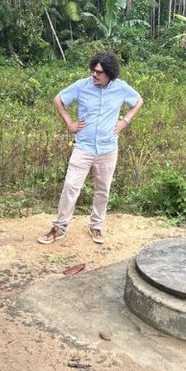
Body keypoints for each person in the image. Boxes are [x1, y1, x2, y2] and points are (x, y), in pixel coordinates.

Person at [38, 51, 143, 245]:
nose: (94, 75)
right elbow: (58, 99)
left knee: (103, 189)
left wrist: (125, 121)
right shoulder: (81, 86)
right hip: (84, 147)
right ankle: (59, 227)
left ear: (109, 73)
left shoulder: (121, 88)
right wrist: (70, 123)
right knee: (70, 186)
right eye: (93, 71)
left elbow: (138, 101)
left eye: (99, 72)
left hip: (108, 148)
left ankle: (96, 226)